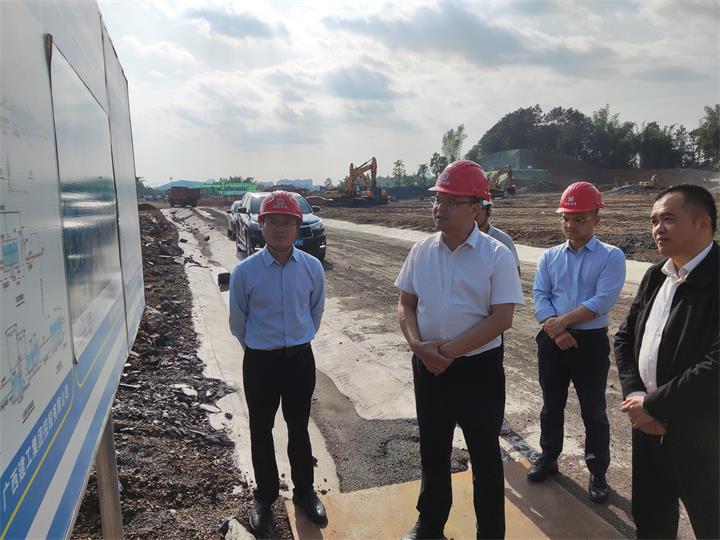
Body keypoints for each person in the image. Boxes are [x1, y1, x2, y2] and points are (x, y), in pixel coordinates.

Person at [395, 160, 524, 539]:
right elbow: (405, 304)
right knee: (433, 447)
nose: (440, 208)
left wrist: (447, 352)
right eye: (438, 199)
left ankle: (490, 532)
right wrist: (418, 347)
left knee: (485, 455)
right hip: (427, 365)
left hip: (477, 370)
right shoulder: (421, 251)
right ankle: (430, 523)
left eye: (452, 201)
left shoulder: (497, 255)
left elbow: (502, 318)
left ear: (476, 208)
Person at [614, 184, 718, 539]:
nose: (658, 228)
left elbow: (716, 365)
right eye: (654, 221)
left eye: (669, 219)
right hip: (647, 427)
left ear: (703, 223)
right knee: (651, 518)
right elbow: (624, 338)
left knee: (711, 521)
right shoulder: (655, 275)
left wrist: (654, 405)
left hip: (703, 435)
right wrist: (636, 397)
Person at [228, 191, 327, 535]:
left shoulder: (312, 268)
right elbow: (238, 322)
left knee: (298, 427)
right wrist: (259, 347)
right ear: (262, 225)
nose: (280, 229)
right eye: (273, 221)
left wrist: (297, 339)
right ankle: (265, 497)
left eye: (288, 222)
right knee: (261, 429)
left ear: (298, 226)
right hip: (260, 363)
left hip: (299, 361)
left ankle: (304, 492)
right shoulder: (245, 272)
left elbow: (315, 311)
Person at [530, 181, 625, 504]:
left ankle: (598, 471)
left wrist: (562, 322)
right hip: (552, 340)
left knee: (593, 410)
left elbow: (602, 301)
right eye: (566, 218)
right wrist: (556, 330)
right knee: (551, 405)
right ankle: (549, 457)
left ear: (597, 219)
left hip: (590, 344)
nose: (570, 225)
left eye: (579, 219)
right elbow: (540, 295)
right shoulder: (549, 257)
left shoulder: (611, 256)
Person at [475, 197, 521, 436]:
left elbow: (514, 276)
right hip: (466, 316)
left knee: (492, 371)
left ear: (487, 210)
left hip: (491, 318)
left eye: (479, 208)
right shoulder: (455, 237)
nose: (474, 213)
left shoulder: (501, 241)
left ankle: (496, 415)